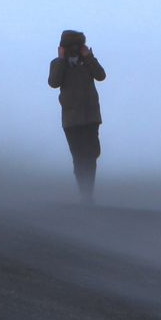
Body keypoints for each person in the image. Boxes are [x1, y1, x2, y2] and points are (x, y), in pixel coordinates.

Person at [48, 30, 106, 204]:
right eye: (70, 47)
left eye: (77, 46)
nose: (74, 50)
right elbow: (54, 82)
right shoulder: (58, 64)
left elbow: (101, 75)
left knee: (92, 154)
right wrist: (60, 59)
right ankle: (84, 193)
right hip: (71, 118)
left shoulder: (88, 62)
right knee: (78, 156)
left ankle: (88, 191)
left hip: (91, 116)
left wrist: (88, 57)